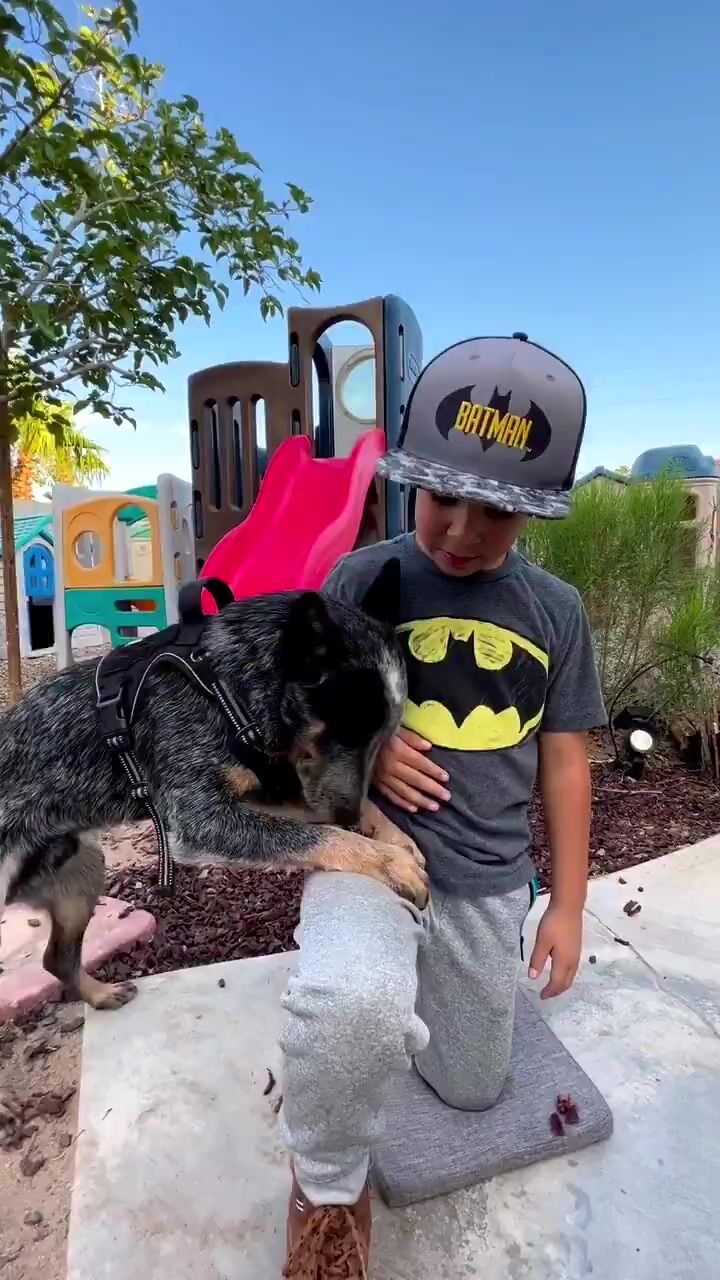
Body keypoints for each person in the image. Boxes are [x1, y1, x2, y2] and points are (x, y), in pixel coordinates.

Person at [280, 332, 607, 1279]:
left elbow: (566, 762)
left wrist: (570, 905)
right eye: (441, 498)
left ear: (533, 511)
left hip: (485, 880)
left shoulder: (554, 612)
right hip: (370, 858)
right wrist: (368, 745)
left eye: (495, 511)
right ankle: (325, 1186)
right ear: (413, 482)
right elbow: (300, 722)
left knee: (471, 1086)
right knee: (348, 1010)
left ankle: (408, 1000)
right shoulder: (360, 581)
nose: (460, 532)